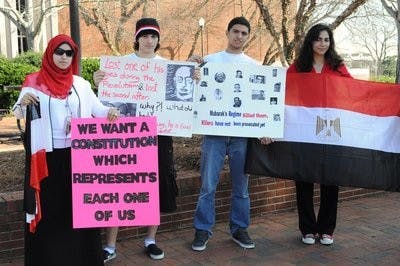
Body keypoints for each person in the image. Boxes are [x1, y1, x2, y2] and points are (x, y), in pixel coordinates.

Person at [12, 34, 119, 266]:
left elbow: (98, 110)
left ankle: (82, 258)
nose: (63, 57)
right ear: (50, 54)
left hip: (79, 156)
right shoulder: (33, 82)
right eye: (59, 52)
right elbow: (18, 112)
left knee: (80, 210)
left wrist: (110, 112)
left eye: (68, 53)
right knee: (51, 212)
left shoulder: (80, 84)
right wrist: (23, 102)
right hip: (47, 159)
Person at [93, 18, 178, 261]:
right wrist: (99, 83)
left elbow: (179, 103)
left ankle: (151, 239)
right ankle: (110, 245)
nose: (149, 40)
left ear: (158, 40)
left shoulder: (168, 66)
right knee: (120, 185)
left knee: (155, 185)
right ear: (137, 38)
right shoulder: (120, 66)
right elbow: (106, 104)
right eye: (145, 35)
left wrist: (191, 81)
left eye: (153, 36)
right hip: (127, 135)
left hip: (159, 134)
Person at [189, 16, 272, 252]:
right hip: (214, 133)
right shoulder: (209, 61)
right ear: (227, 33)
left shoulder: (255, 66)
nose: (239, 36)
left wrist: (265, 129)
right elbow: (193, 89)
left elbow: (262, 103)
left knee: (241, 187)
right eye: (235, 31)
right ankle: (203, 230)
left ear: (248, 36)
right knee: (207, 185)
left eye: (244, 33)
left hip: (241, 136)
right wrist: (190, 69)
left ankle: (239, 228)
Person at [287, 23, 352, 246]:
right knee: (304, 180)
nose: (322, 44)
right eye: (318, 39)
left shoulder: (337, 66)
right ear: (310, 41)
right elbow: (285, 90)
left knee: (330, 181)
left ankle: (326, 229)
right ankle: (307, 228)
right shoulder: (298, 66)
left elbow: (351, 92)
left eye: (326, 40)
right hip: (304, 131)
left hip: (330, 130)